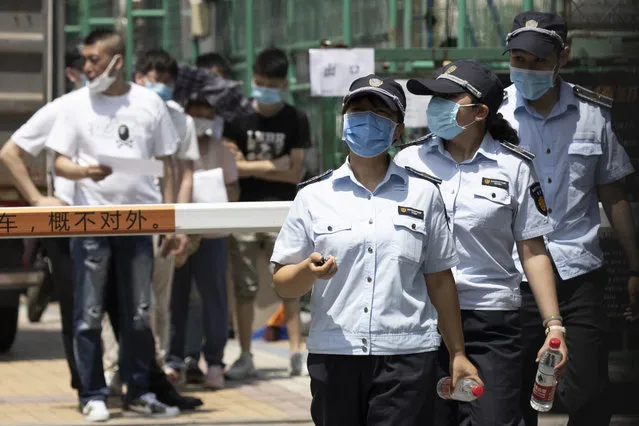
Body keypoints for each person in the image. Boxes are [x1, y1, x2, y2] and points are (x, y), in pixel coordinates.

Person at [270, 74, 480, 425]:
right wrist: (308, 270)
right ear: (344, 122)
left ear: (397, 130)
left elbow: (440, 280)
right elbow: (282, 283)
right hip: (336, 352)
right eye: (359, 109)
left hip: (407, 353)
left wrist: (457, 351)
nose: (367, 119)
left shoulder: (424, 194)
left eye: (380, 113)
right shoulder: (313, 196)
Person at [394, 59, 568, 425]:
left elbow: (532, 249)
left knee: (494, 418)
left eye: (447, 97)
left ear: (480, 112)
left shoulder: (514, 166)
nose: (436, 106)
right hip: (424, 319)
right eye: (434, 97)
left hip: (491, 320)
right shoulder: (409, 161)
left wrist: (554, 325)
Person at [499, 12, 638, 426]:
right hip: (514, 274)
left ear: (564, 56)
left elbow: (612, 193)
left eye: (539, 61)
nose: (527, 69)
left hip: (579, 273)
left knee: (590, 391)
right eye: (519, 59)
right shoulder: (494, 116)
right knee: (516, 390)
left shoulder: (593, 116)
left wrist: (635, 267)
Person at [45, 28, 185, 421]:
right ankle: (93, 393)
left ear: (116, 61)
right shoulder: (75, 105)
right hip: (90, 224)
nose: (87, 67)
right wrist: (85, 170)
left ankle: (138, 391)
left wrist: (170, 219)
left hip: (140, 225)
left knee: (140, 312)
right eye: (85, 59)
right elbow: (58, 162)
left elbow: (167, 164)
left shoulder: (148, 104)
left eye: (94, 59)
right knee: (88, 313)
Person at [99, 48, 201, 392]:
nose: (160, 86)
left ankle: (153, 367)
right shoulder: (116, 112)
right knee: (114, 297)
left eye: (166, 80)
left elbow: (183, 172)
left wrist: (177, 221)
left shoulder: (179, 119)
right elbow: (109, 165)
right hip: (119, 219)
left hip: (161, 222)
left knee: (158, 300)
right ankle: (113, 367)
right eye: (153, 78)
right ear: (137, 77)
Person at [222, 47, 310, 379]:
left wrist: (250, 166)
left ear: (284, 83)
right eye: (260, 81)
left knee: (289, 282)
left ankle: (295, 353)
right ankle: (245, 354)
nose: (264, 88)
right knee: (243, 285)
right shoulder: (237, 118)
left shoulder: (296, 119)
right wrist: (273, 164)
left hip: (283, 211)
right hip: (243, 210)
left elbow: (294, 173)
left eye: (271, 82)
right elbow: (232, 169)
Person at [165, 96, 240, 390]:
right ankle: (175, 360)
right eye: (194, 115)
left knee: (214, 299)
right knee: (177, 299)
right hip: (177, 234)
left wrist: (221, 202)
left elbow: (233, 188)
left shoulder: (222, 150)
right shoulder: (171, 148)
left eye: (206, 115)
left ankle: (215, 362)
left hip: (212, 235)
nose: (200, 121)